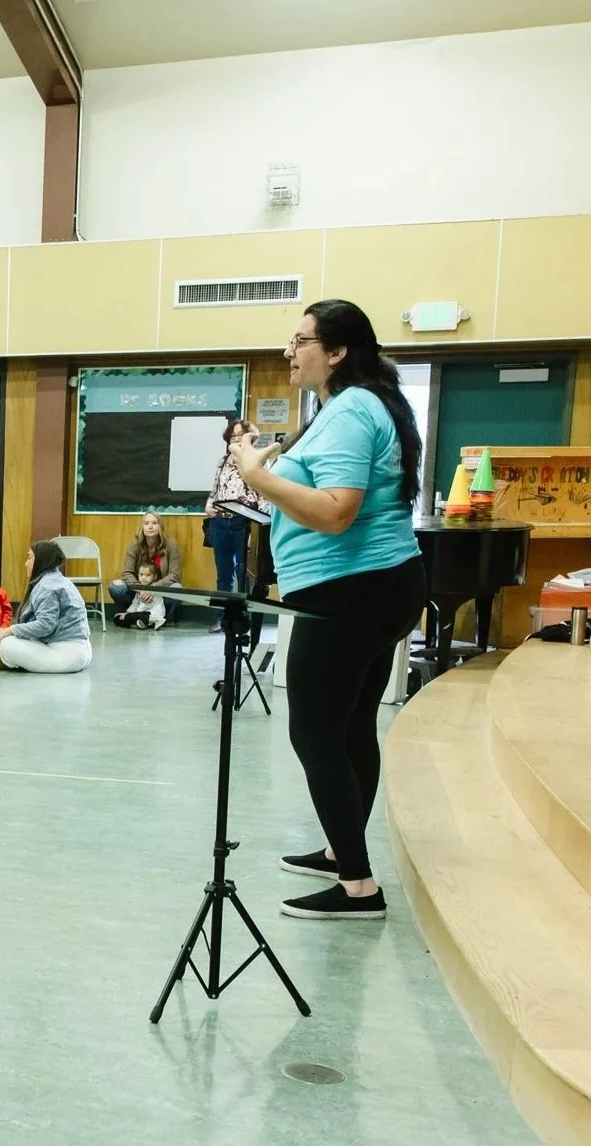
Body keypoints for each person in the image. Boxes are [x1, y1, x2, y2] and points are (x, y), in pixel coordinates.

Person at [234, 299, 426, 922]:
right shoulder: (361, 404)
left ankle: (358, 887)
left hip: (349, 591)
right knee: (349, 728)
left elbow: (337, 511)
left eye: (301, 342)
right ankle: (341, 850)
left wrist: (257, 479)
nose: (290, 353)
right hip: (378, 585)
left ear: (337, 351)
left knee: (314, 732)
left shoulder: (350, 411)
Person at [0, 541, 93, 674]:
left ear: (41, 561)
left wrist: (12, 629)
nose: (26, 563)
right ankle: (14, 660)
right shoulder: (61, 580)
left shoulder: (46, 587)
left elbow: (45, 625)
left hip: (66, 656)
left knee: (4, 642)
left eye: (29, 557)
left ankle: (11, 661)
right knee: (10, 636)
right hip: (82, 652)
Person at [205, 417, 270, 597]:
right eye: (232, 435)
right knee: (223, 574)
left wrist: (260, 530)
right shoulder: (223, 461)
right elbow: (214, 489)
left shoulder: (259, 460)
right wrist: (209, 507)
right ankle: (223, 619)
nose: (236, 438)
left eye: (241, 434)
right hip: (220, 522)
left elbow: (265, 496)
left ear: (250, 437)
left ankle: (243, 619)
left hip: (245, 523)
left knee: (245, 573)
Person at [109, 512, 179, 628]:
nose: (150, 527)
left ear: (160, 526)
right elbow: (127, 572)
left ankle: (165, 617)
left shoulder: (171, 544)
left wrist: (153, 589)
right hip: (138, 592)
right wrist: (141, 589)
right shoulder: (135, 545)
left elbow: (174, 574)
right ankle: (132, 615)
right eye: (146, 523)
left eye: (154, 523)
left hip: (160, 592)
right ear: (142, 527)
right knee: (115, 587)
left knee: (177, 588)